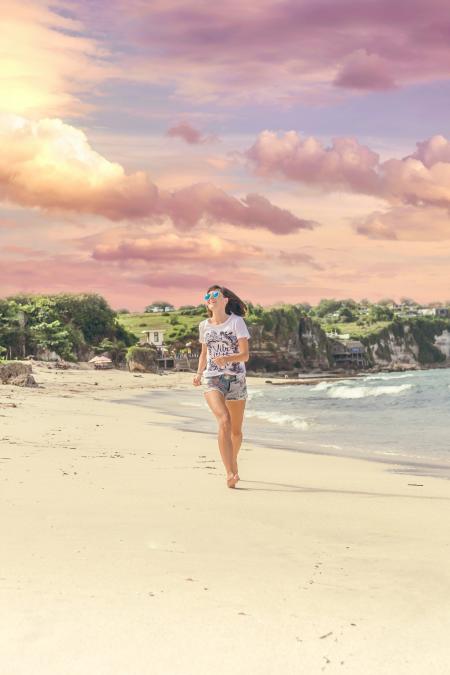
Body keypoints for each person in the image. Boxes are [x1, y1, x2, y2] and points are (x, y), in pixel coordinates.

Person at [192, 285, 251, 489]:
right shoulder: (204, 326)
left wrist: (227, 358)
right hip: (212, 379)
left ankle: (232, 462)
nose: (211, 298)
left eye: (215, 294)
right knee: (224, 420)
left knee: (236, 432)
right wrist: (199, 374)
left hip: (236, 380)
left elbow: (245, 355)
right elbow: (203, 353)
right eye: (207, 295)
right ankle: (230, 472)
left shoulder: (237, 322)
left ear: (225, 300)